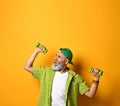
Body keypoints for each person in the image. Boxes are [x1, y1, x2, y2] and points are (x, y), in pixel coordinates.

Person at [24, 44, 101, 106]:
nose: (55, 59)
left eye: (59, 57)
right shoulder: (46, 72)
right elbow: (27, 67)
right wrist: (37, 51)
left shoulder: (75, 78)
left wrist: (96, 78)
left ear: (66, 61)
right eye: (56, 55)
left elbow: (90, 94)